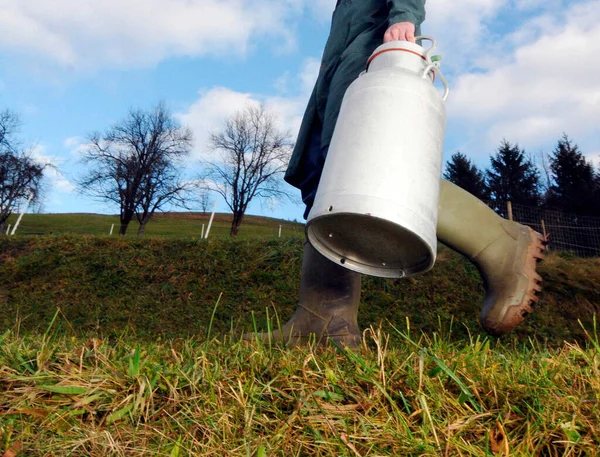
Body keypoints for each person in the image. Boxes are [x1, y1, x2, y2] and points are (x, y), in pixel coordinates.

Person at [247, 0, 546, 346]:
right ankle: (323, 317)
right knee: (322, 177)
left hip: (370, 49)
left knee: (357, 163)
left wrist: (405, 17)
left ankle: (499, 243)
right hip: (335, 70)